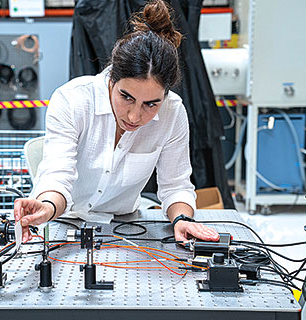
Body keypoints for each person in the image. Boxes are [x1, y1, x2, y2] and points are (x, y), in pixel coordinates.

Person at [14, 0, 219, 244]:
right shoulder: (73, 100)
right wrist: (47, 207)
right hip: (61, 221)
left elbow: (176, 185)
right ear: (112, 79)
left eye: (150, 104)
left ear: (165, 95)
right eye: (126, 97)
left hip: (123, 226)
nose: (134, 116)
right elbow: (58, 175)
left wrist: (182, 219)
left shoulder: (173, 112)